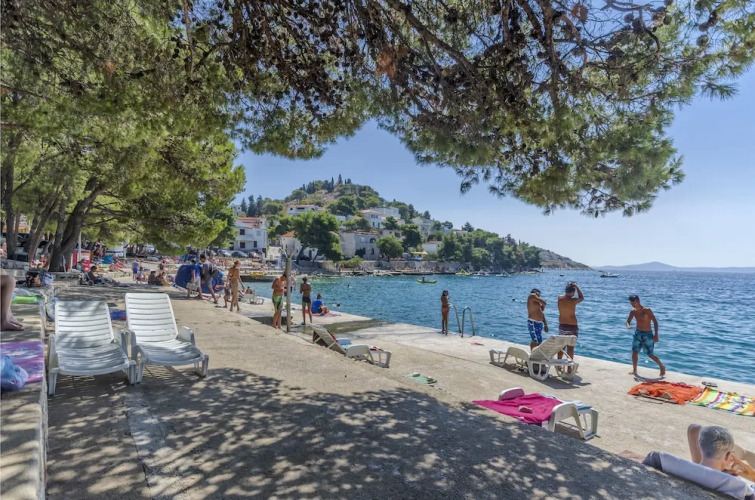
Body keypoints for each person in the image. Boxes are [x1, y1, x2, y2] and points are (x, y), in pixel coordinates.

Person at [687, 425, 755, 481]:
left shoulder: (683, 471)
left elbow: (694, 430)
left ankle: (708, 469)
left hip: (705, 475)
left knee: (695, 430)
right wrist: (753, 475)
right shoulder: (740, 487)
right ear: (727, 456)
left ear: (698, 444)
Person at [626, 294, 665, 377]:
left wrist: (656, 335)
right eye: (631, 304)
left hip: (647, 334)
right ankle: (635, 370)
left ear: (638, 301)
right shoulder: (633, 311)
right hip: (637, 333)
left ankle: (661, 366)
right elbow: (628, 321)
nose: (633, 305)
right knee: (634, 352)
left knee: (650, 354)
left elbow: (655, 322)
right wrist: (628, 326)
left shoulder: (647, 310)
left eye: (634, 303)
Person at [557, 281, 583, 363]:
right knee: (570, 348)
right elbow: (581, 297)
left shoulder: (560, 299)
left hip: (562, 326)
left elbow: (564, 295)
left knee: (561, 347)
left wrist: (569, 287)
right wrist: (577, 287)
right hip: (572, 327)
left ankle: (558, 365)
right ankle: (569, 367)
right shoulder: (573, 301)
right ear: (572, 292)